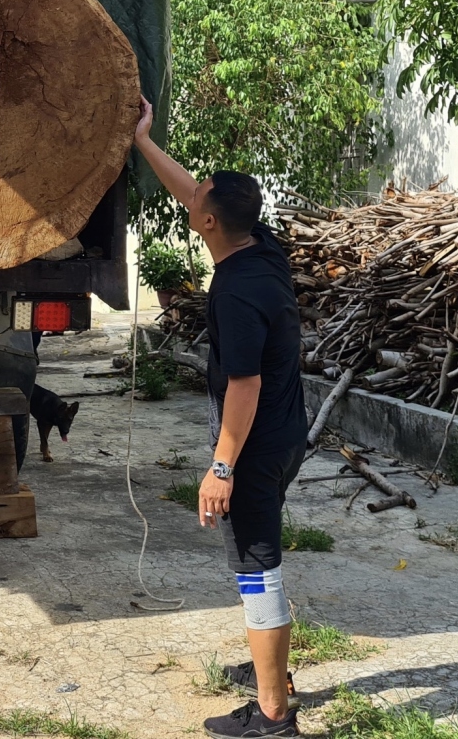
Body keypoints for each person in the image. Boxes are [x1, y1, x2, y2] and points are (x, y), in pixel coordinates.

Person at [134, 97, 307, 738]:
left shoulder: (235, 291)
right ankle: (272, 673)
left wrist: (220, 467)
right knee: (259, 560)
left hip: (255, 445)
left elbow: (244, 386)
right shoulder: (263, 249)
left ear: (209, 223)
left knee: (257, 568)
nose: (192, 199)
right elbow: (195, 195)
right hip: (289, 434)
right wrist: (144, 141)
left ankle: (273, 716)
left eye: (198, 201)